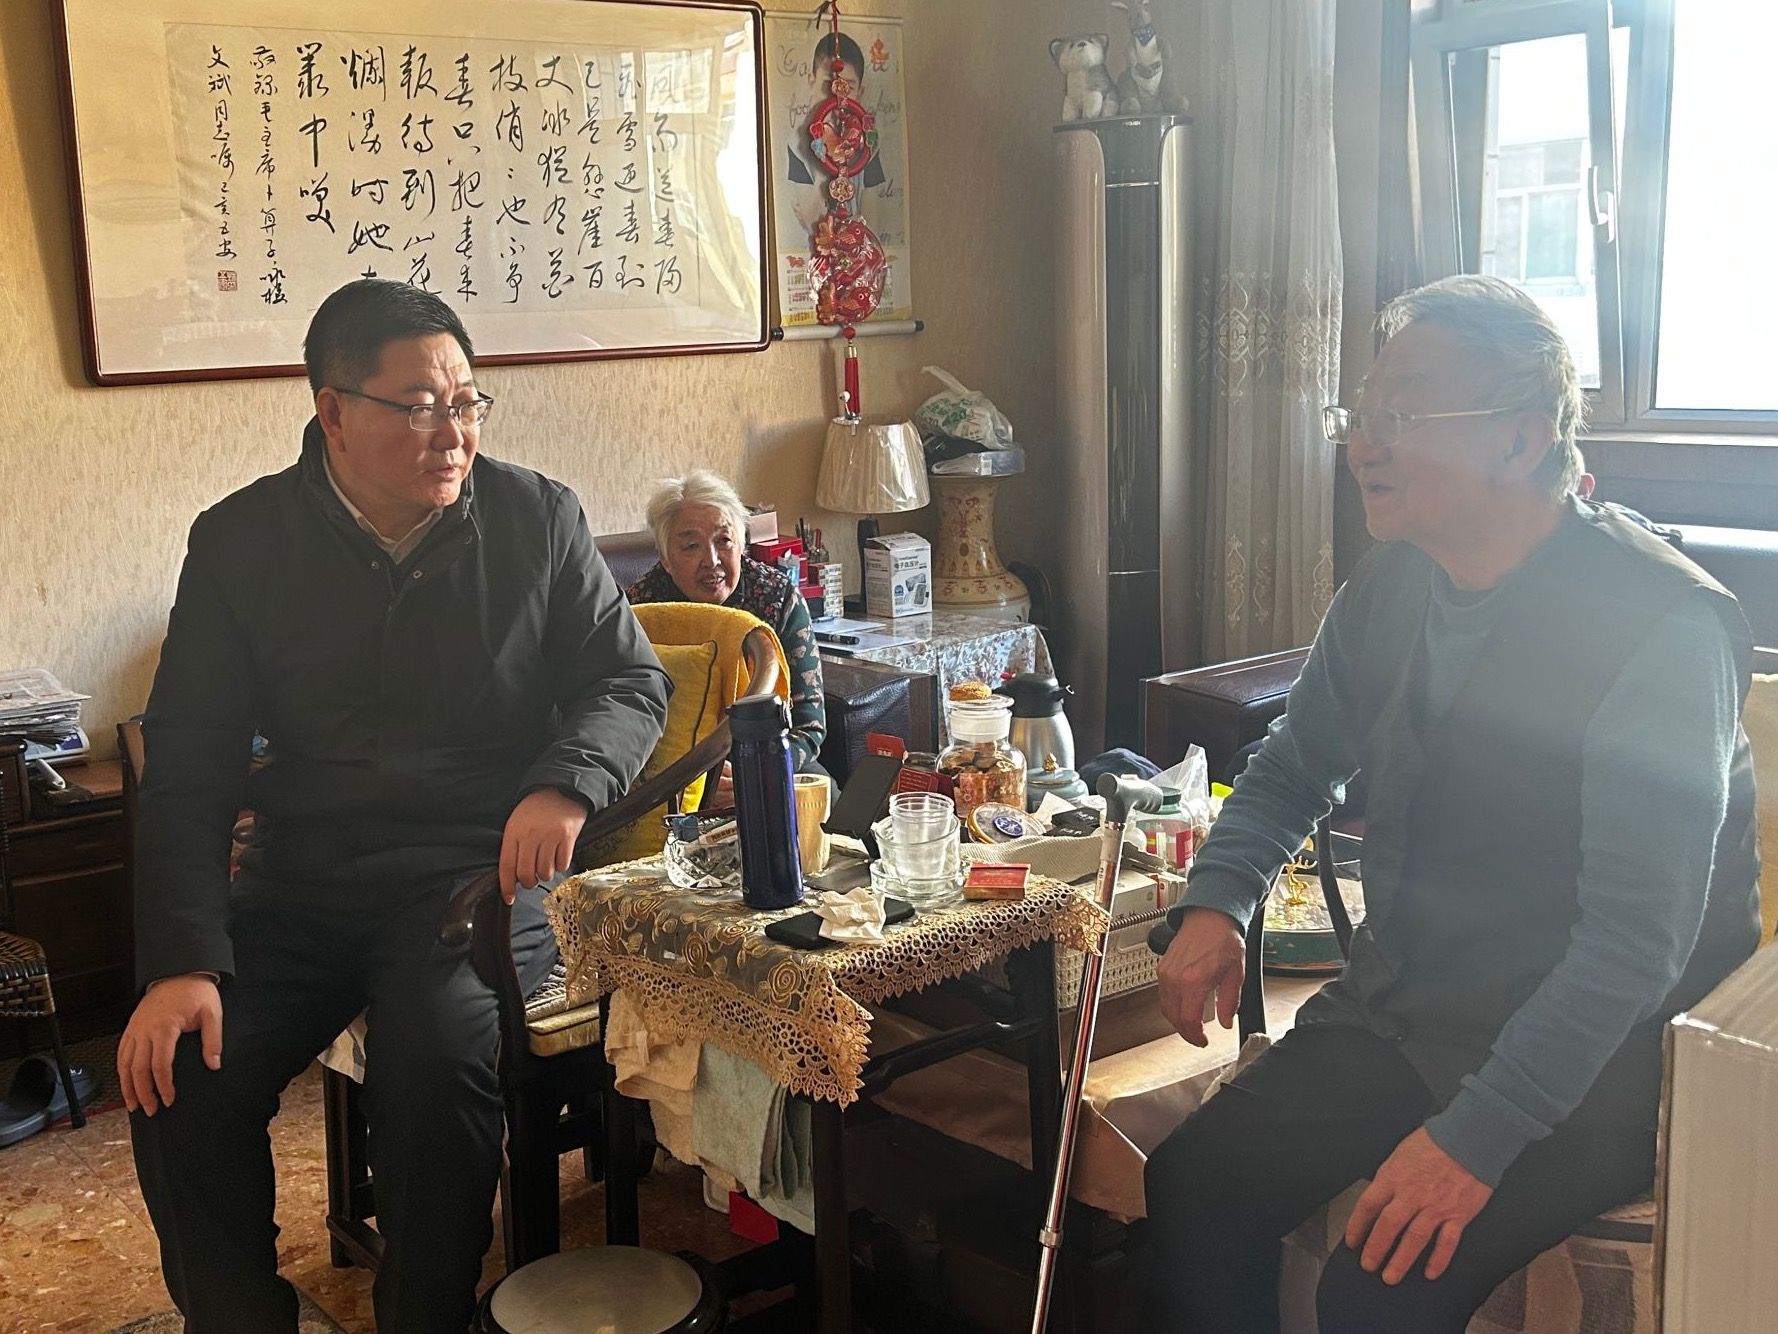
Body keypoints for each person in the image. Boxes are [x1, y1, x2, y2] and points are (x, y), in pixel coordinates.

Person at [1144, 274, 1761, 1333]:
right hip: (1413, 1003)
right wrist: (1217, 900)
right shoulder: (1389, 587)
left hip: (1600, 1053)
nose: (1362, 443)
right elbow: (1294, 766)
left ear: (1520, 439)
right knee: (1196, 1184)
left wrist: (1472, 1138)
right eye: (1359, 412)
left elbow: (1631, 946)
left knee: (1376, 1291)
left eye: (1404, 412)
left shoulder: (1660, 628)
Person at [119, 279, 670, 1333]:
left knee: (434, 1069)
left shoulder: (535, 518)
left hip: (471, 878)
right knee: (179, 1067)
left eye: (465, 403)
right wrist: (182, 960)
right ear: (332, 411)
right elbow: (188, 762)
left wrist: (564, 782)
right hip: (302, 878)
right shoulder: (241, 541)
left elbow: (626, 679)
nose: (451, 434)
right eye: (418, 406)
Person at [626, 470, 827, 773]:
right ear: (665, 557)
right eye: (691, 546)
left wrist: (753, 774)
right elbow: (623, 718)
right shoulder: (641, 608)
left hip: (768, 760)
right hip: (670, 772)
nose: (712, 560)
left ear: (742, 544)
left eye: (724, 541)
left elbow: (809, 725)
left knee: (825, 791)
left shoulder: (778, 597)